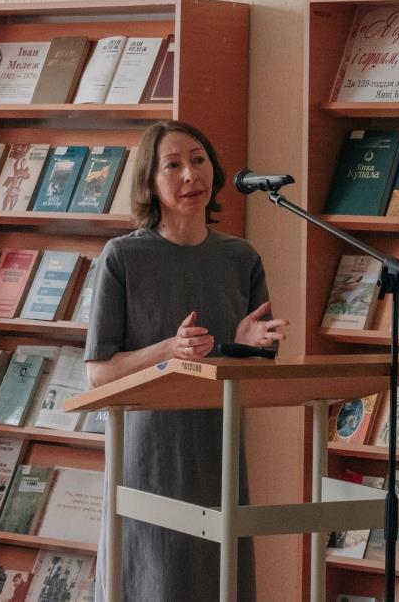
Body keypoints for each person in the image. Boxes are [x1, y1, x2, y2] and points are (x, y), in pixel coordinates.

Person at [85, 120, 288, 602]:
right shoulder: (123, 257)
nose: (190, 175)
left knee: (218, 580)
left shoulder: (240, 257)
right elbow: (98, 373)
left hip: (217, 450)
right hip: (149, 455)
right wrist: (167, 351)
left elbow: (255, 371)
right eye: (172, 165)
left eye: (198, 160)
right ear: (150, 181)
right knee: (154, 581)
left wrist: (241, 346)